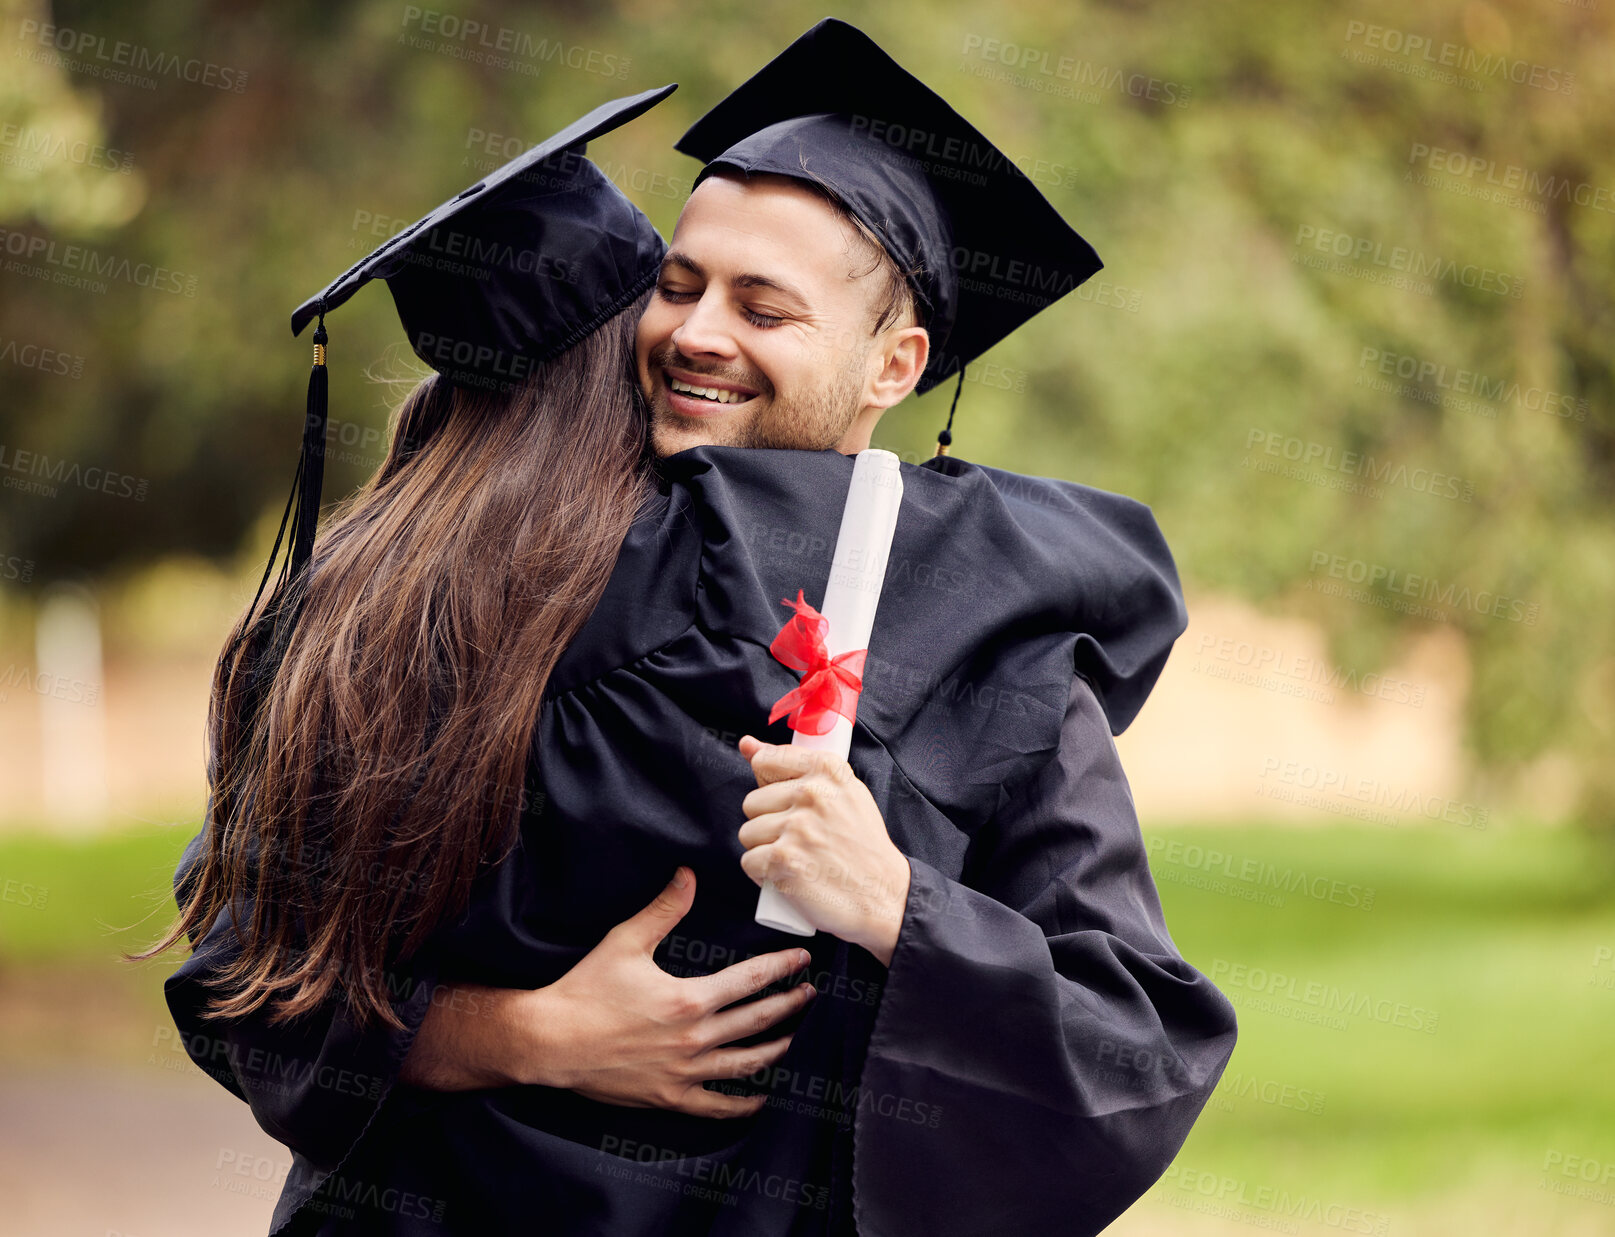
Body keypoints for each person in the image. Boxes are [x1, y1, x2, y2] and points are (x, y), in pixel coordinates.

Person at [150, 22, 1237, 1237]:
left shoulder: (989, 641)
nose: (698, 333)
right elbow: (251, 972)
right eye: (677, 286)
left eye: (763, 308)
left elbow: (1130, 1048)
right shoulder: (458, 588)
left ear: (898, 364)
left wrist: (894, 901)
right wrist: (524, 1034)